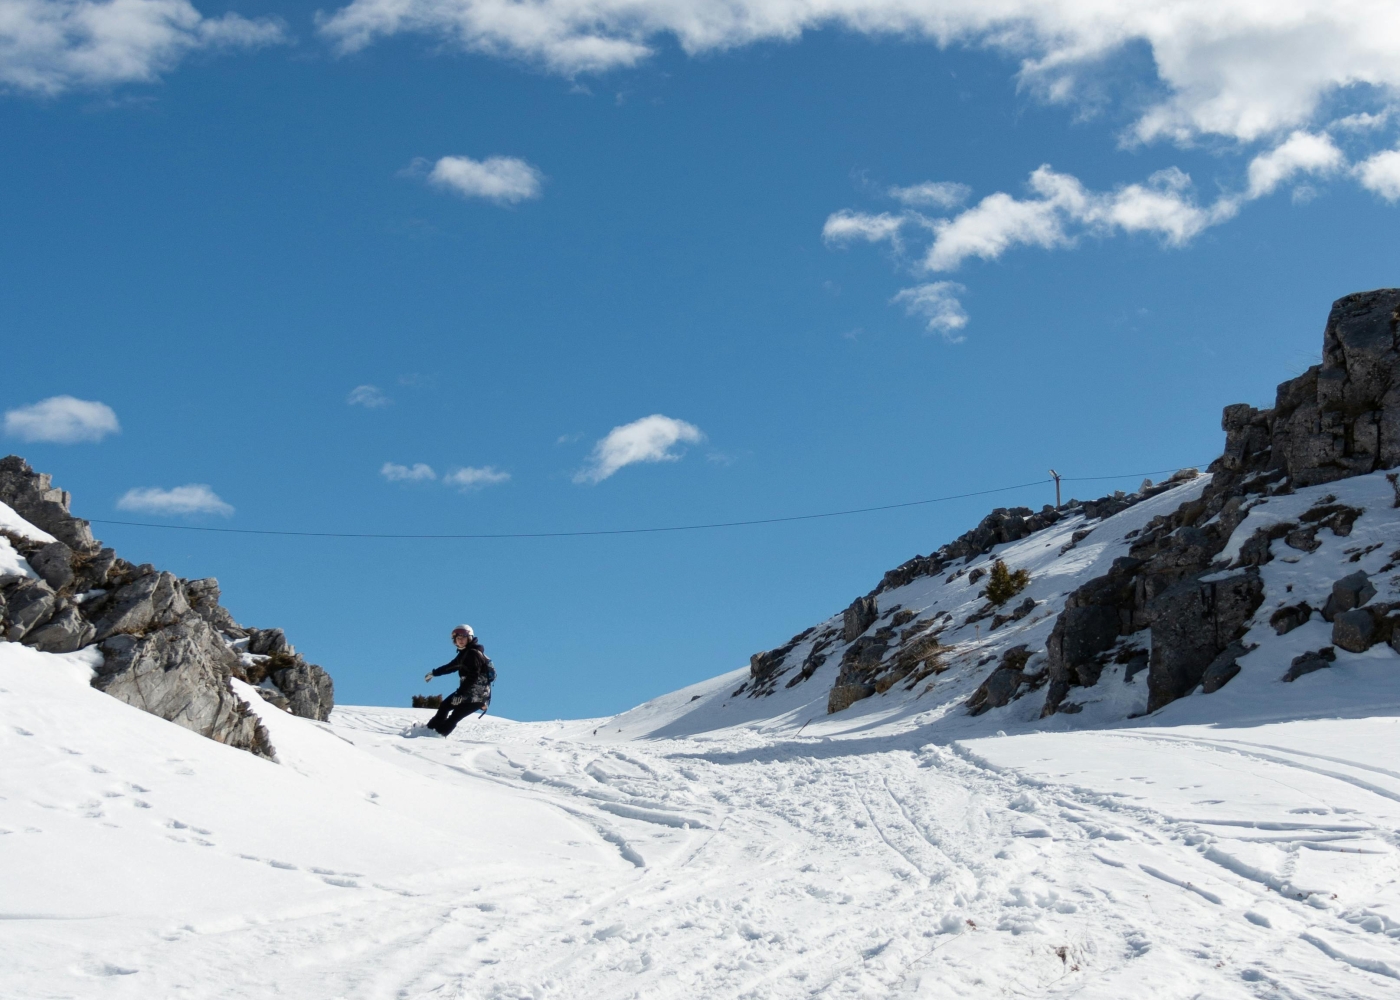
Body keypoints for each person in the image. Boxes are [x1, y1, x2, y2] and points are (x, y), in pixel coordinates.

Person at [422, 624, 494, 736]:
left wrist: (460, 694)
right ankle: (429, 731)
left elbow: (473, 676)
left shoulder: (473, 654)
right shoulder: (465, 653)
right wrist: (434, 673)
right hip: (469, 693)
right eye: (458, 638)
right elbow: (451, 666)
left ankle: (435, 736)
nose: (460, 641)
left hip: (476, 696)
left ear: (469, 638)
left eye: (463, 638)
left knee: (454, 716)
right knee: (445, 706)